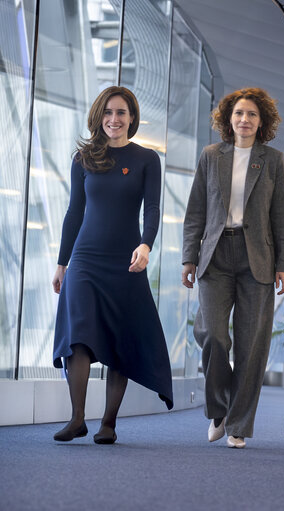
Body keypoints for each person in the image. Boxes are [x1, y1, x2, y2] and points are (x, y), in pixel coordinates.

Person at [52, 86, 173, 444]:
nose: (114, 120)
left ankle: (108, 423)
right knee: (78, 335)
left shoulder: (147, 159)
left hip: (127, 260)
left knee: (121, 338)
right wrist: (62, 264)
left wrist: (146, 245)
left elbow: (152, 209)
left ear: (132, 118)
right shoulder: (83, 159)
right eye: (107, 113)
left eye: (121, 113)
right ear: (98, 117)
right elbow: (75, 212)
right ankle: (76, 418)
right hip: (86, 258)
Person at [182, 88, 284, 449]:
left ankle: (239, 424)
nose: (245, 119)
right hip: (215, 255)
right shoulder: (211, 156)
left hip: (257, 258)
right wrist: (188, 257)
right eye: (239, 113)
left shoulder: (273, 160)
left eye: (252, 115)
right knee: (212, 335)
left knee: (251, 345)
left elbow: (281, 218)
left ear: (262, 122)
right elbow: (195, 211)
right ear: (228, 119)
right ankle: (219, 408)